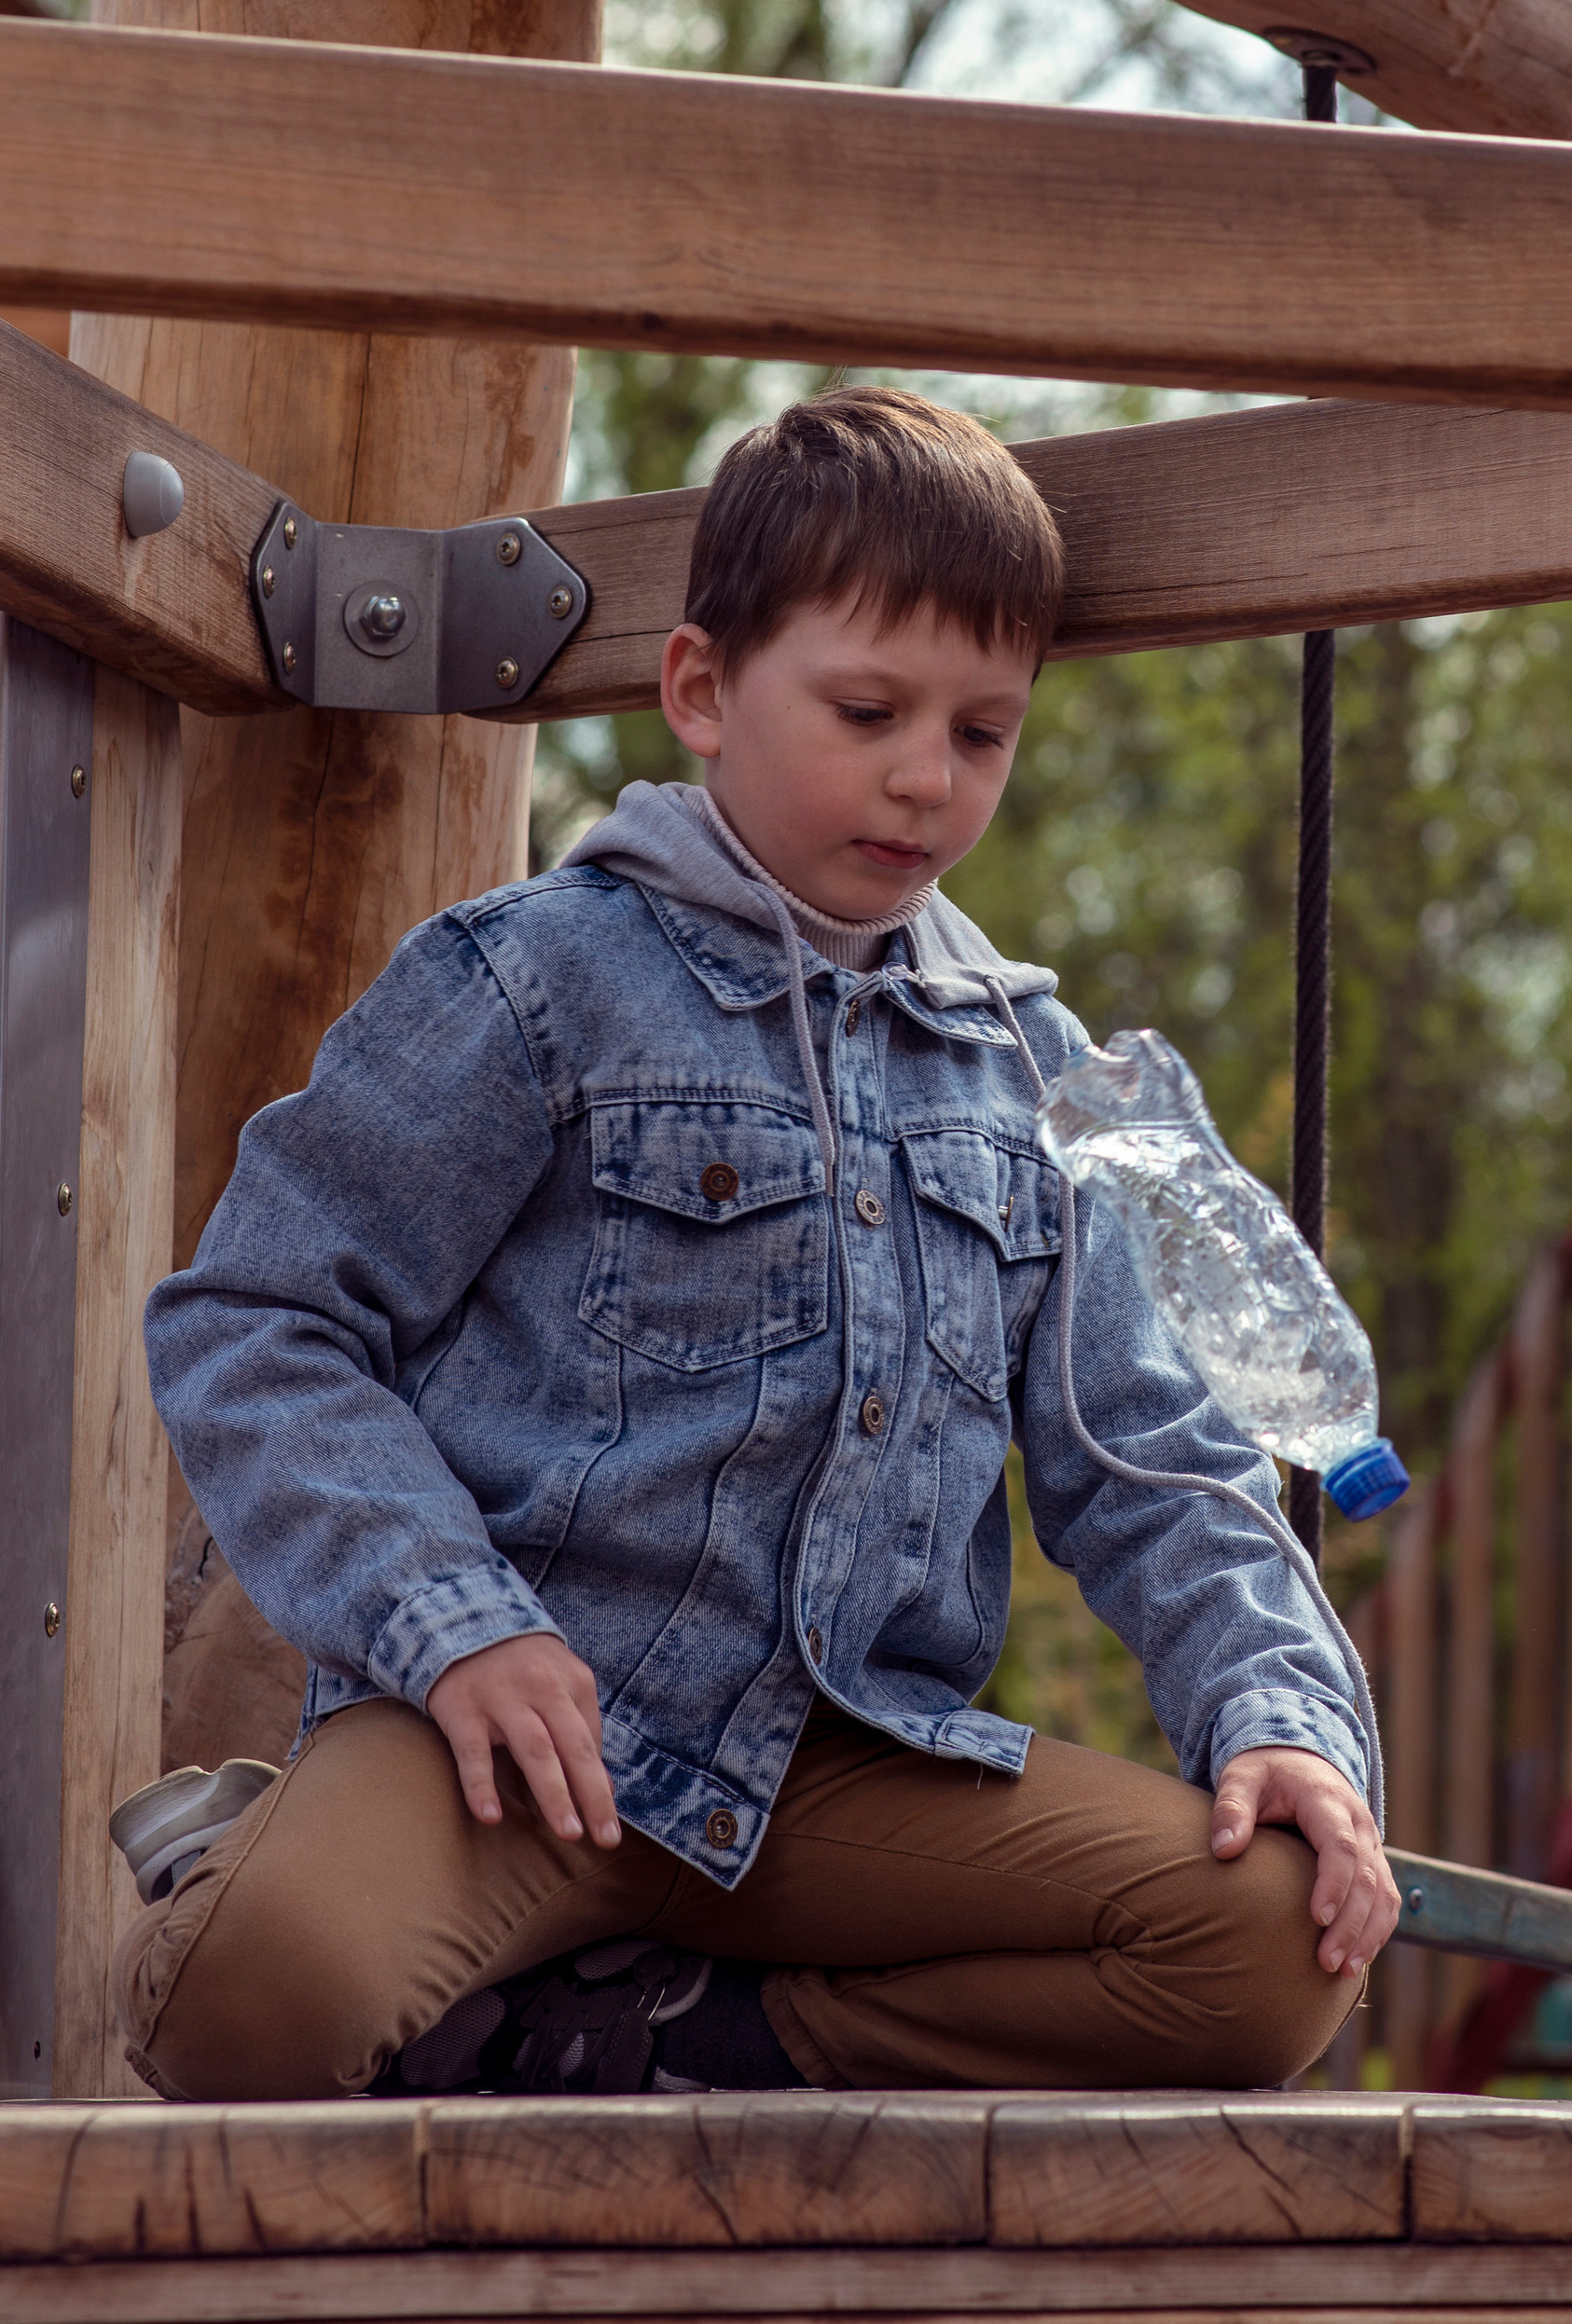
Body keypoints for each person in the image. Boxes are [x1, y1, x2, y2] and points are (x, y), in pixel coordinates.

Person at [119, 387, 1394, 2102]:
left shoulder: (1028, 1069)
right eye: (869, 708)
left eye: (985, 731)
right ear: (705, 689)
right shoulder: (531, 980)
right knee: (251, 1997)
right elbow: (258, 1319)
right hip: (515, 1744)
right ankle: (311, 1856)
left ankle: (673, 2037)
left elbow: (1153, 1464)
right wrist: (455, 1620)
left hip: (841, 1772)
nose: (926, 775)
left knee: (1268, 1944)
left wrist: (1281, 1720)